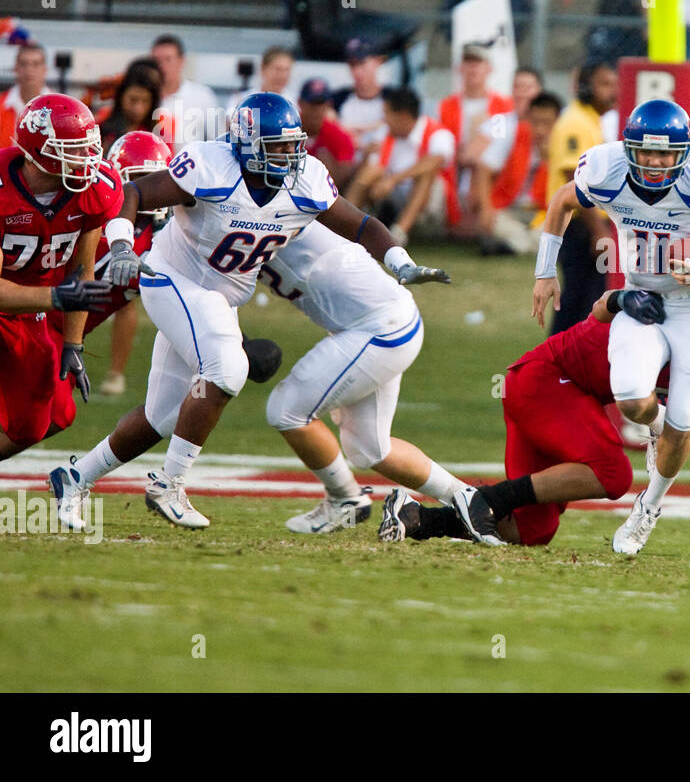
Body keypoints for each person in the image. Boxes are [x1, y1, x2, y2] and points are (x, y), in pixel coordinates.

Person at [45, 92, 450, 531]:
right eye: (276, 146)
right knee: (227, 369)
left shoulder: (306, 179)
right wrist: (122, 243)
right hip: (175, 278)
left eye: (292, 145)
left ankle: (75, 476)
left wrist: (400, 262)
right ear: (246, 144)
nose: (287, 155)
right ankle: (170, 483)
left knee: (164, 415)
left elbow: (361, 224)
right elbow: (134, 191)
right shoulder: (211, 165)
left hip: (215, 297)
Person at [531, 99, 690, 555]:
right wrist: (545, 271)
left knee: (685, 422)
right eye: (646, 152)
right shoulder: (606, 168)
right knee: (632, 402)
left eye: (666, 154)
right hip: (642, 297)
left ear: (684, 151)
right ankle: (659, 428)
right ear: (628, 148)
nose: (656, 163)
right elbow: (562, 202)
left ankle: (648, 508)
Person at [380, 286, 690, 547]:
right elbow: (604, 307)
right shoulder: (658, 312)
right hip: (546, 382)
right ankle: (483, 498)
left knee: (533, 530)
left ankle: (415, 518)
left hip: (565, 398)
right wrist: (623, 298)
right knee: (614, 474)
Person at [258, 222, 457, 534]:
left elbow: (358, 221)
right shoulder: (226, 205)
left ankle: (346, 499)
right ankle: (469, 501)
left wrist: (401, 262)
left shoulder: (287, 191)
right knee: (369, 448)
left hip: (378, 327)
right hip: (380, 322)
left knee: (286, 410)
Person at [0, 94, 118, 464]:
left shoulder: (95, 189)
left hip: (30, 304)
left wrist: (74, 343)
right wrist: (55, 298)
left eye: (88, 148)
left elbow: (80, 272)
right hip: (22, 297)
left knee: (46, 420)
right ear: (38, 150)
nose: (87, 159)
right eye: (74, 150)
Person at [50, 132, 174, 398]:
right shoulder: (107, 226)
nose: (149, 189)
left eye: (155, 179)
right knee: (52, 414)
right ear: (120, 179)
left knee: (52, 416)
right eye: (140, 179)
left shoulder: (159, 231)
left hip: (68, 331)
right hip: (43, 319)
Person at [544, 61, 619, 335]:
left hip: (587, 223)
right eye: (605, 84)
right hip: (580, 225)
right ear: (586, 87)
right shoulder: (575, 123)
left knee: (588, 297)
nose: (614, 91)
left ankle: (571, 364)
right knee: (577, 299)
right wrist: (598, 230)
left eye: (615, 84)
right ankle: (558, 362)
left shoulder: (590, 119)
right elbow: (572, 179)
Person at [345, 87, 455, 244]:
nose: (384, 119)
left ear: (403, 117)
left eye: (388, 114)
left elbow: (435, 160)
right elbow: (371, 167)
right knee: (371, 171)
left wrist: (393, 179)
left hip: (433, 210)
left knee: (426, 173)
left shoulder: (438, 133)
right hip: (394, 201)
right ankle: (347, 223)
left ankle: (399, 234)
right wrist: (368, 162)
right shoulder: (385, 132)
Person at [436, 45, 514, 235]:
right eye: (468, 63)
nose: (472, 68)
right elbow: (446, 145)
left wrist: (474, 150)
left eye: (477, 63)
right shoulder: (447, 105)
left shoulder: (502, 105)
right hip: (456, 170)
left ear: (489, 68)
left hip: (488, 172)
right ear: (460, 69)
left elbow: (498, 144)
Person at [472, 89, 560, 256]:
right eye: (535, 122)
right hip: (509, 209)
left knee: (552, 230)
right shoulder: (513, 134)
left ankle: (514, 245)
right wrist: (485, 209)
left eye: (547, 123)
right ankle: (521, 244)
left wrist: (548, 159)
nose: (540, 130)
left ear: (557, 121)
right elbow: (484, 169)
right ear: (527, 119)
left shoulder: (564, 143)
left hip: (544, 213)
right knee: (496, 222)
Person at [152, 34, 219, 143]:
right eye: (157, 60)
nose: (162, 66)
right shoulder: (146, 98)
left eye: (168, 59)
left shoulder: (202, 96)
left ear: (181, 61)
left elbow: (217, 139)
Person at [97, 59, 174, 147]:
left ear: (153, 102)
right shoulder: (101, 130)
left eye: (145, 101)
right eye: (133, 100)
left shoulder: (160, 138)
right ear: (121, 97)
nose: (138, 108)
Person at [297, 78, 357, 189]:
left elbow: (343, 182)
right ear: (300, 103)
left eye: (321, 104)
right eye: (312, 103)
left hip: (323, 197)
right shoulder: (288, 130)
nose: (316, 109)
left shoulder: (339, 136)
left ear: (328, 105)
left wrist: (327, 169)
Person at [335, 37, 388, 151]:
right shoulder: (338, 98)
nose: (357, 71)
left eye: (362, 63)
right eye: (352, 65)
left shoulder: (392, 98)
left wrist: (352, 129)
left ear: (378, 62)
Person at [0, 43, 51, 148]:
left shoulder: (60, 107)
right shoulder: (1, 104)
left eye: (35, 64)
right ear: (15, 68)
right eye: (24, 64)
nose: (29, 69)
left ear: (45, 70)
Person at [224, 46, 294, 113]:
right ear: (263, 68)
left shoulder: (296, 104)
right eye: (277, 69)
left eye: (286, 70)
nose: (282, 75)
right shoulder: (240, 101)